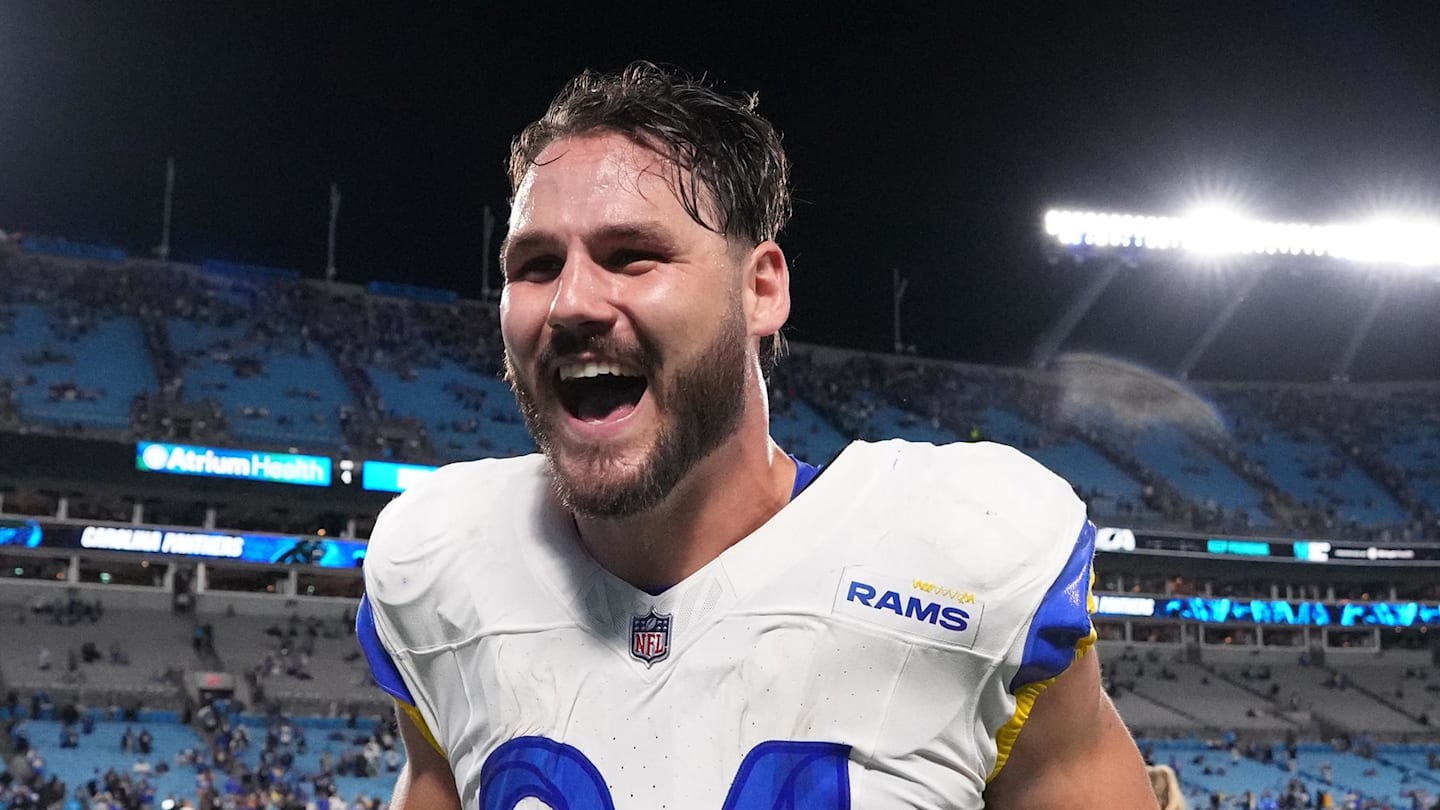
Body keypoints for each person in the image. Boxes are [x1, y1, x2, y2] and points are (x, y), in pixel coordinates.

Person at [358, 61, 1156, 809]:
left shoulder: (965, 550)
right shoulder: (440, 562)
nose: (569, 304)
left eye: (631, 256)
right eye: (534, 265)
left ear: (761, 290)